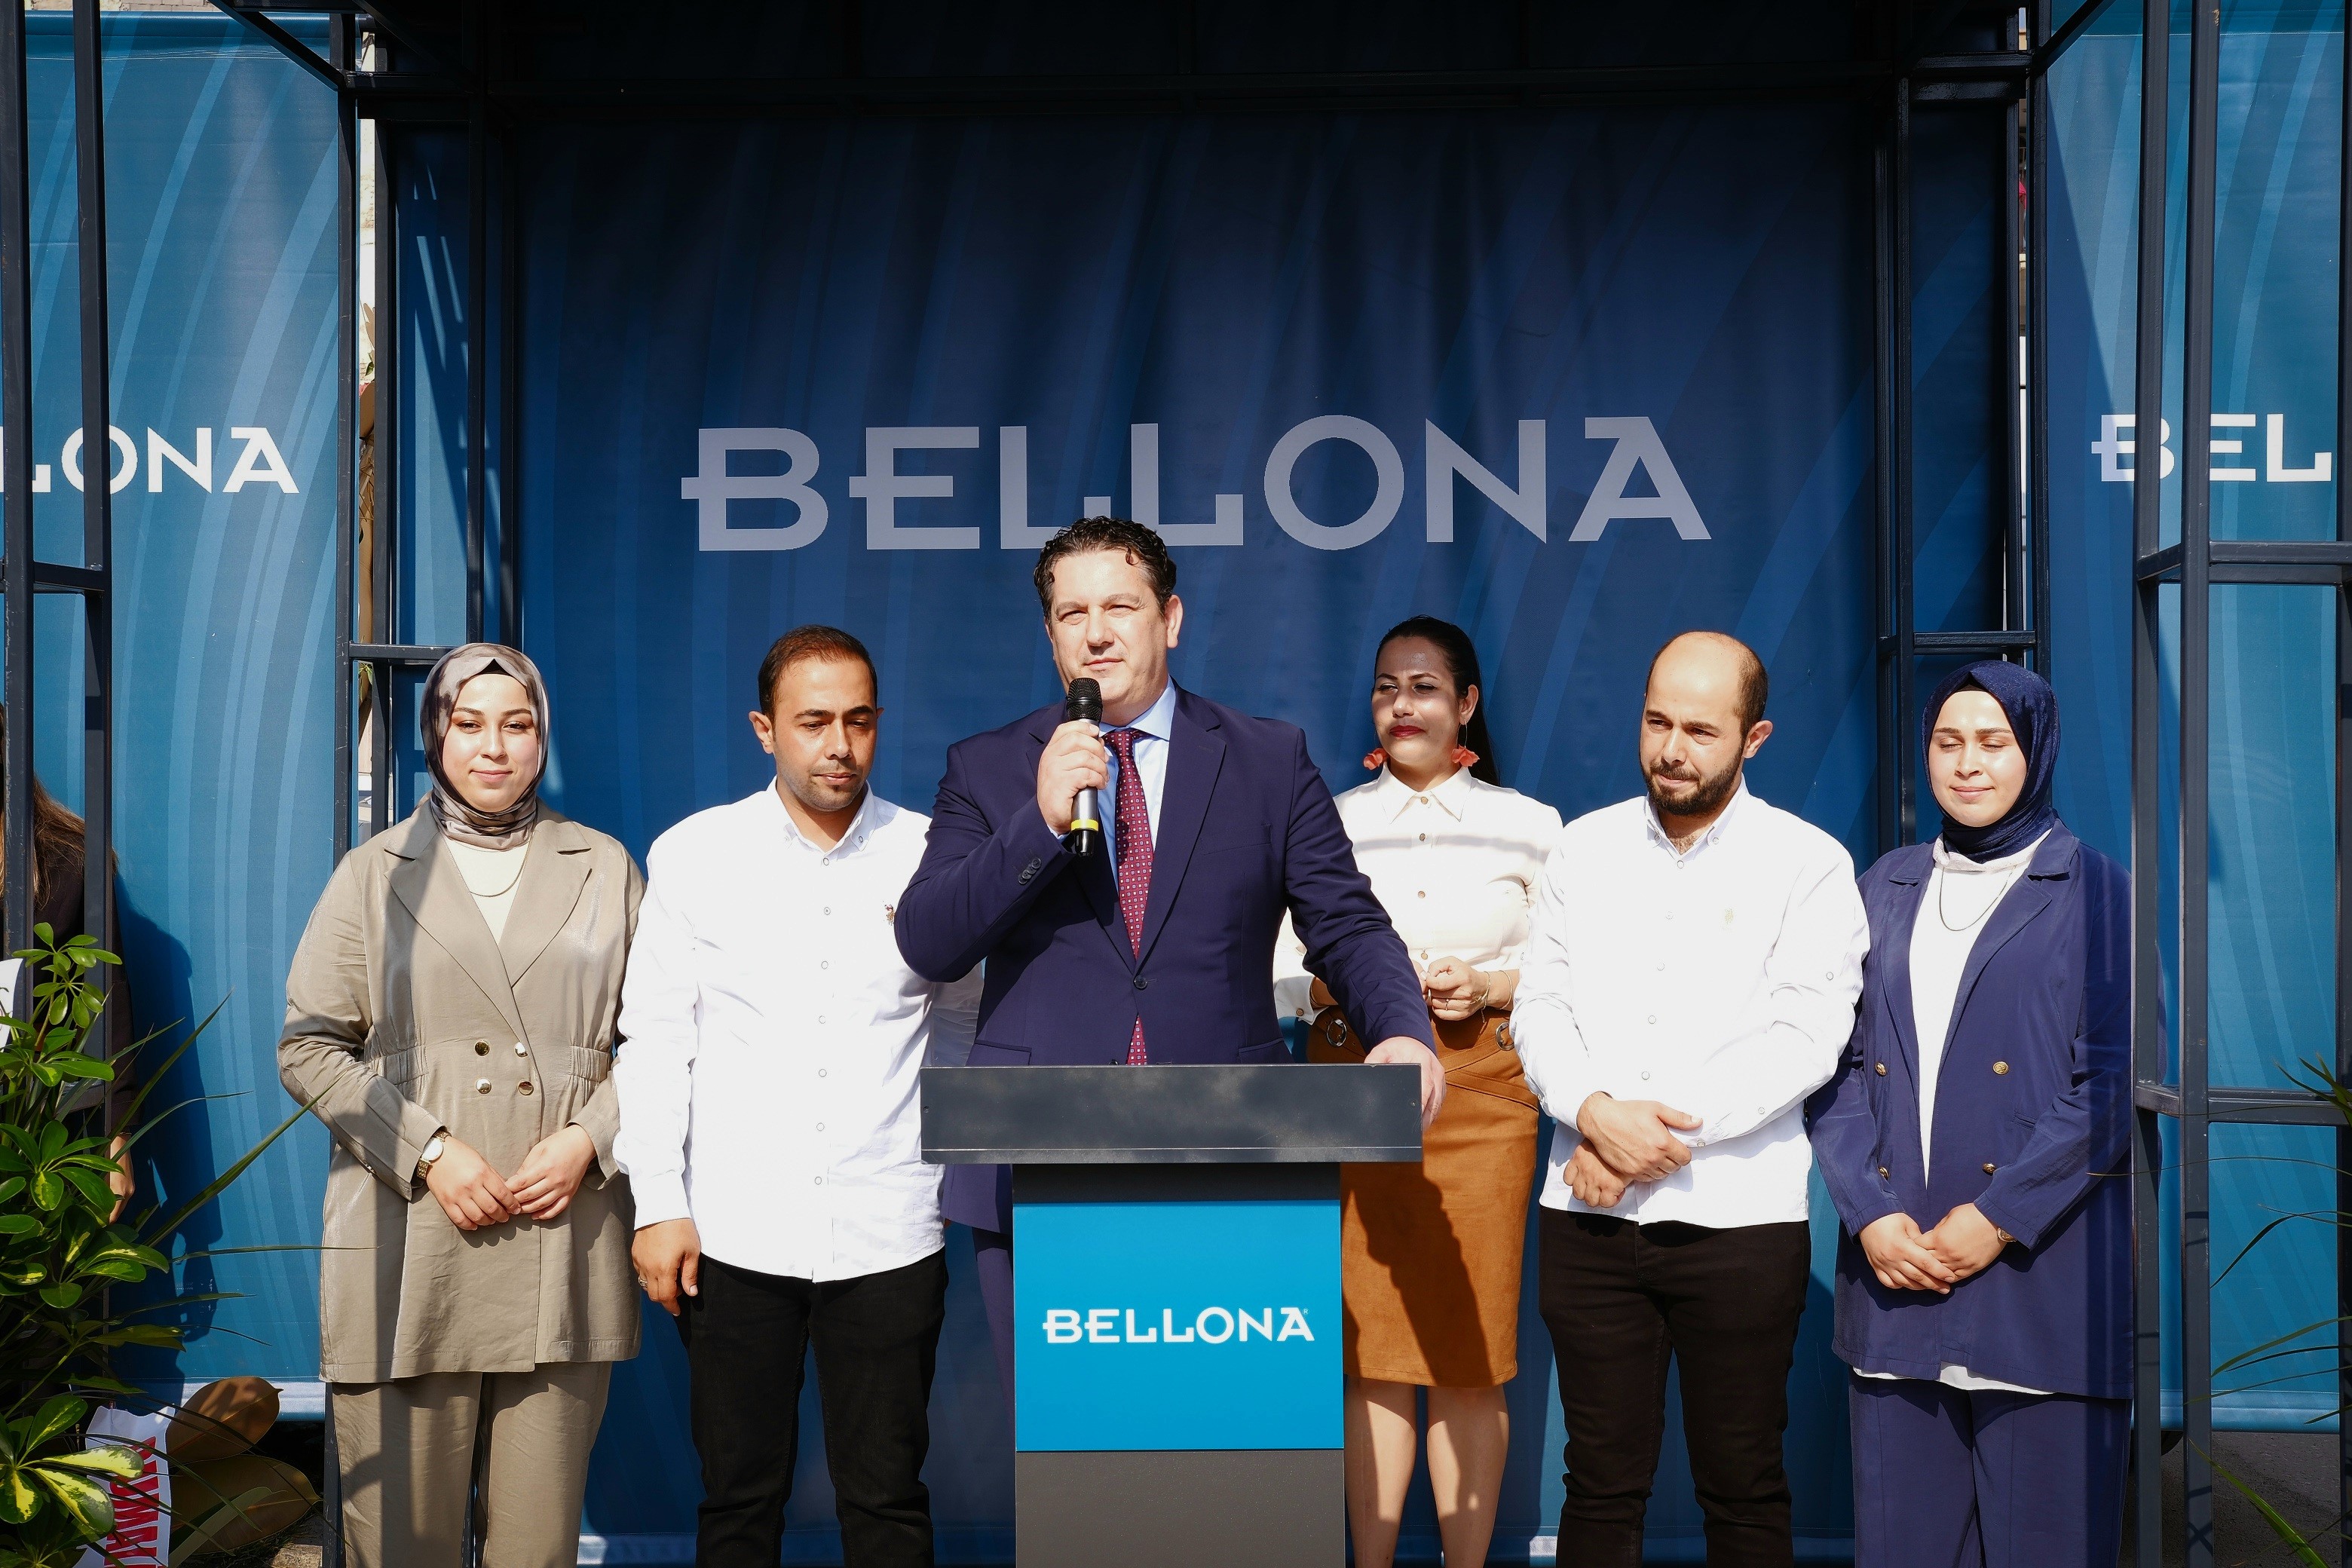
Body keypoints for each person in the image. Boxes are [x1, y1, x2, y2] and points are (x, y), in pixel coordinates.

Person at [893, 516, 1444, 1394]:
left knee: (1224, 1443)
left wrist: (1403, 1029)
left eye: (1119, 606)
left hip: (1229, 1154)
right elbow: (930, 940)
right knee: (1074, 1445)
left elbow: (1346, 923)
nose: (1096, 633)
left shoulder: (1267, 759)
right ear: (1050, 633)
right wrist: (1037, 822)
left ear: (1171, 618)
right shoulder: (989, 767)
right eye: (1072, 614)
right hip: (1038, 1168)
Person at [615, 626, 980, 1568]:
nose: (840, 745)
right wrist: (658, 1202)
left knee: (887, 1498)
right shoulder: (696, 854)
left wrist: (939, 1164)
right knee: (739, 1500)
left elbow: (962, 1022)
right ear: (763, 729)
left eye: (858, 720)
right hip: (732, 1232)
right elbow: (655, 1037)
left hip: (891, 1223)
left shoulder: (933, 853)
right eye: (813, 722)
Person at [279, 643, 642, 1568]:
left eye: (517, 725)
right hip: (409, 1242)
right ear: (435, 734)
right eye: (469, 723)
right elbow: (308, 1046)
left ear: (542, 737)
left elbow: (663, 1041)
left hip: (561, 1231)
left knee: (537, 1548)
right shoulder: (374, 871)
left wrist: (591, 1137)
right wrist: (429, 1150)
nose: (494, 747)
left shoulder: (603, 866)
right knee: (404, 1546)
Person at [1512, 630, 1869, 1568]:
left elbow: (1806, 1035)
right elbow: (1540, 1006)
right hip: (1588, 1216)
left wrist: (1644, 1138)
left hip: (1738, 1220)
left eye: (1701, 731)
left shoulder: (1808, 863)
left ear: (1755, 738)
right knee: (1598, 1482)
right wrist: (1594, 1113)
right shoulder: (1582, 849)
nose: (1672, 749)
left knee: (1743, 1484)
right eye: (1657, 721)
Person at [1805, 662, 2128, 1566]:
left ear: (2037, 750)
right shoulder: (1885, 884)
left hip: (2041, 1289)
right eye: (1948, 742)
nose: (1967, 763)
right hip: (1897, 1278)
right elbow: (1830, 1065)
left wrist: (1997, 1216)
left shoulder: (2097, 889)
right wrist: (1870, 1214)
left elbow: (2112, 1082)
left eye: (1993, 742)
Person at [1270, 615, 1558, 1568]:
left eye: (1425, 687)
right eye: (1387, 686)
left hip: (1485, 1096)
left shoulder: (1532, 825)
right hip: (1356, 1089)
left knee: (1472, 1355)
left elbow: (1567, 966)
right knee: (1374, 1356)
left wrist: (1490, 986)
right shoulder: (1326, 819)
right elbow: (1277, 964)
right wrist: (1356, 988)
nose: (1403, 705)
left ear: (1467, 703)